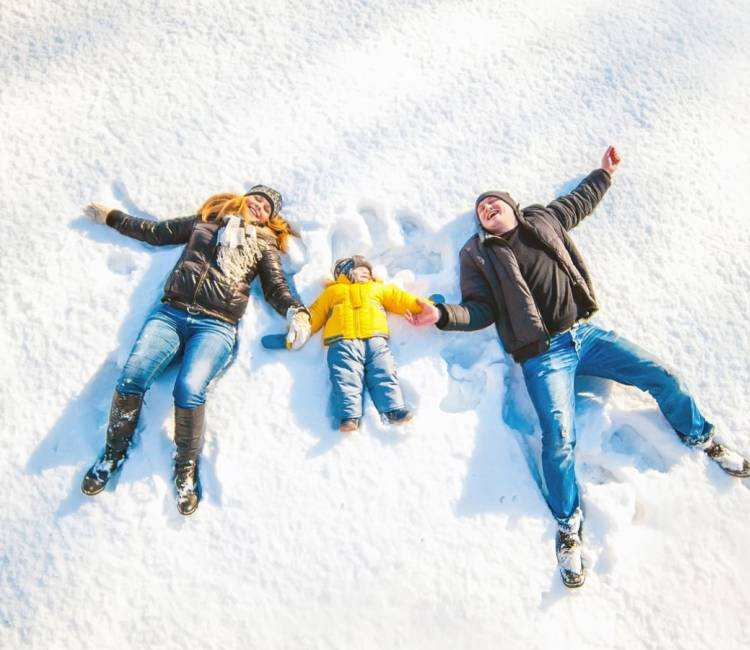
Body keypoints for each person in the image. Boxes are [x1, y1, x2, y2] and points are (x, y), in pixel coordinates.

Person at [406, 146, 750, 588]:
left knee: (661, 376)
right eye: (480, 209)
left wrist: (604, 174)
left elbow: (579, 201)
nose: (486, 208)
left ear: (510, 205)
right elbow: (481, 308)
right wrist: (443, 316)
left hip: (585, 335)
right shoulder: (478, 254)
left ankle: (701, 436)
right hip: (541, 356)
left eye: (492, 201)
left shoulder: (544, 220)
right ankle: (569, 527)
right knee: (559, 438)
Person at [81, 186, 312, 515]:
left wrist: (295, 311)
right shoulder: (207, 223)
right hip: (171, 314)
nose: (259, 207)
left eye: (266, 208)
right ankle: (112, 454)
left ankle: (184, 470)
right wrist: (111, 217)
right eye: (256, 200)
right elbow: (157, 232)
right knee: (133, 376)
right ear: (243, 199)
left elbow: (276, 286)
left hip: (216, 325)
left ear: (271, 219)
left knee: (189, 389)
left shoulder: (264, 245)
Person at [303, 255, 425, 431]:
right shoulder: (332, 292)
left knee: (384, 371)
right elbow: (315, 314)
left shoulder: (378, 288)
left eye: (368, 271)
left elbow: (403, 300)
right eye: (361, 270)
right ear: (345, 273)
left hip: (375, 339)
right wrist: (295, 333)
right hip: (342, 341)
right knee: (345, 377)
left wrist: (428, 306)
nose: (366, 273)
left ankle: (393, 409)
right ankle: (349, 416)